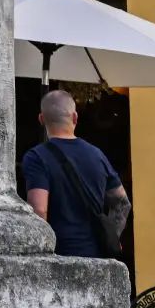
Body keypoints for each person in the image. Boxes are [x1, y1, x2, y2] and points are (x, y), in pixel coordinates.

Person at [21, 89, 129, 258]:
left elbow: (40, 209)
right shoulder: (97, 155)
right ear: (75, 117)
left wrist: (39, 255)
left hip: (60, 257)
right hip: (97, 257)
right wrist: (111, 236)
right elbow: (122, 203)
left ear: (41, 119)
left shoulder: (36, 157)